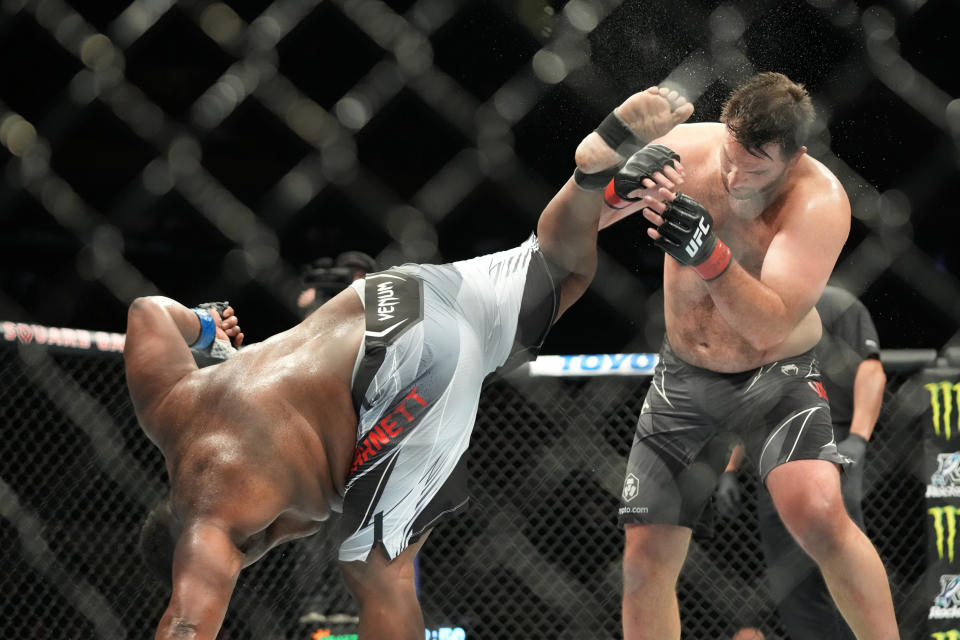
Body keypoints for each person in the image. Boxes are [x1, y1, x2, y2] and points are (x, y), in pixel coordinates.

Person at [124, 86, 693, 639]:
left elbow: (186, 622)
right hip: (396, 294)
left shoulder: (212, 520)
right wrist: (204, 326)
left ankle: (595, 182)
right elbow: (147, 311)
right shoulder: (169, 406)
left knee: (377, 570)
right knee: (554, 269)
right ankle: (591, 177)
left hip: (402, 367)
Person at [604, 72, 899, 639]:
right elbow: (581, 217)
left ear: (795, 158)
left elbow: (767, 327)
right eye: (731, 158)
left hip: (775, 375)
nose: (736, 178)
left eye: (756, 168)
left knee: (818, 514)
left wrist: (708, 256)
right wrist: (608, 179)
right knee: (644, 557)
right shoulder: (688, 152)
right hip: (685, 374)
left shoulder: (819, 202)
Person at [715, 284, 887, 639]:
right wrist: (731, 468)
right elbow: (751, 396)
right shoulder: (755, 312)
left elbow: (872, 372)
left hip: (829, 442)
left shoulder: (837, 302)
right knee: (791, 579)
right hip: (773, 449)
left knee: (842, 561)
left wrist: (857, 440)